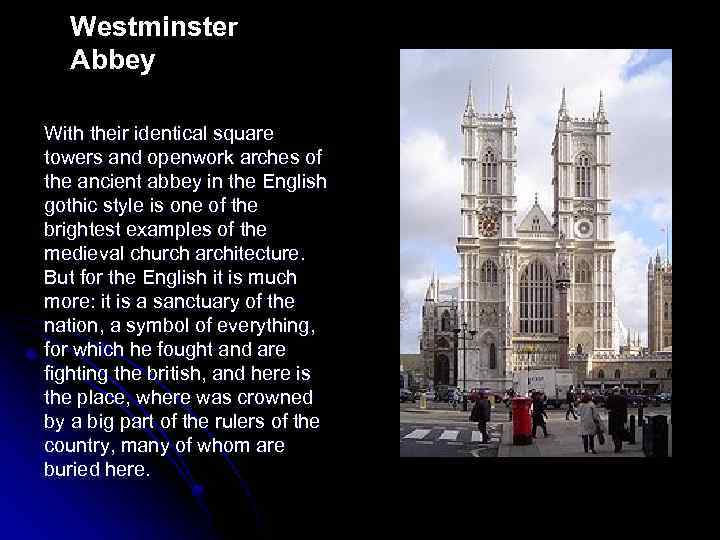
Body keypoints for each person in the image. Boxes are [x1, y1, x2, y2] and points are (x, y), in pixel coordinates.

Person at [605, 386, 628, 453]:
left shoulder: (610, 398)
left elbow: (607, 407)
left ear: (613, 391)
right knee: (620, 432)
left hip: (612, 417)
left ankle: (616, 445)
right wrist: (625, 419)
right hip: (620, 417)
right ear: (618, 391)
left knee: (614, 433)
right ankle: (619, 446)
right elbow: (625, 410)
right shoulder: (623, 398)